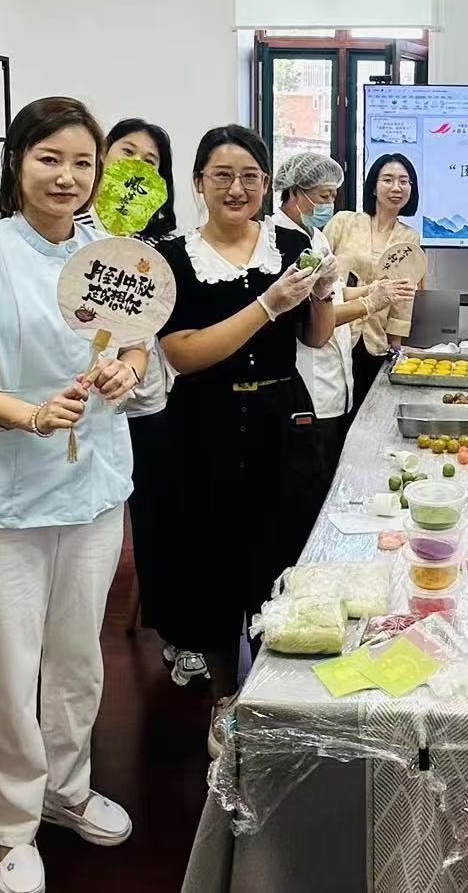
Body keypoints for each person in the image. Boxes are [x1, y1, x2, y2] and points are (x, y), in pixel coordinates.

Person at [0, 97, 146, 893]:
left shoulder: (109, 253)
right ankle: (11, 825)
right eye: (50, 158)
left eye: (83, 163)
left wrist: (125, 371)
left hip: (93, 489)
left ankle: (67, 789)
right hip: (4, 501)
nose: (67, 176)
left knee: (79, 657)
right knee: (8, 670)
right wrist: (27, 413)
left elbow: (136, 348)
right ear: (16, 161)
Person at [152, 126, 335, 736]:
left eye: (250, 177)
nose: (237, 188)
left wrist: (322, 295)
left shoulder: (292, 243)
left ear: (266, 183)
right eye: (222, 176)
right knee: (212, 559)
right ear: (198, 182)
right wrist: (267, 305)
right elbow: (182, 354)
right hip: (204, 424)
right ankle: (225, 699)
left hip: (283, 419)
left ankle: (279, 692)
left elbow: (316, 338)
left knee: (284, 551)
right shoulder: (174, 258)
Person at [89, 119, 179, 651]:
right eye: (128, 152)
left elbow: (150, 331)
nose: (137, 167)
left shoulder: (159, 242)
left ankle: (168, 628)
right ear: (103, 156)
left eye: (151, 162)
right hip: (78, 399)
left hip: (143, 396)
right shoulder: (72, 231)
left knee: (153, 510)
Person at [273, 151, 404, 478]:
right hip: (309, 375)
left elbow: (333, 291)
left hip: (337, 370)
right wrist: (369, 303)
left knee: (335, 460)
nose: (329, 204)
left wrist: (370, 290)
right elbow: (312, 314)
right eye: (323, 196)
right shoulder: (280, 241)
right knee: (314, 471)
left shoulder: (314, 237)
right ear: (296, 192)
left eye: (333, 196)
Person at [326, 152, 422, 415]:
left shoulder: (410, 237)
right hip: (335, 331)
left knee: (367, 411)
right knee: (334, 411)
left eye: (404, 181)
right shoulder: (344, 222)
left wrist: (396, 342)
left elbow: (404, 295)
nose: (396, 187)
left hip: (375, 338)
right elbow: (320, 274)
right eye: (388, 179)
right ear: (372, 186)